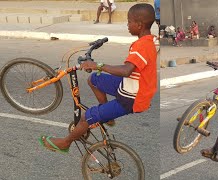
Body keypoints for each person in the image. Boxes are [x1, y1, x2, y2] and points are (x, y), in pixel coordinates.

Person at [39, 3, 157, 153]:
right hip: (132, 86)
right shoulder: (149, 41)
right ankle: (107, 117)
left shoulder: (141, 46)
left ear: (139, 25)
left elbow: (126, 70)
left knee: (85, 118)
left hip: (131, 98)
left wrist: (98, 65)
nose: (127, 24)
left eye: (129, 21)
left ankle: (65, 143)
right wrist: (96, 67)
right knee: (94, 79)